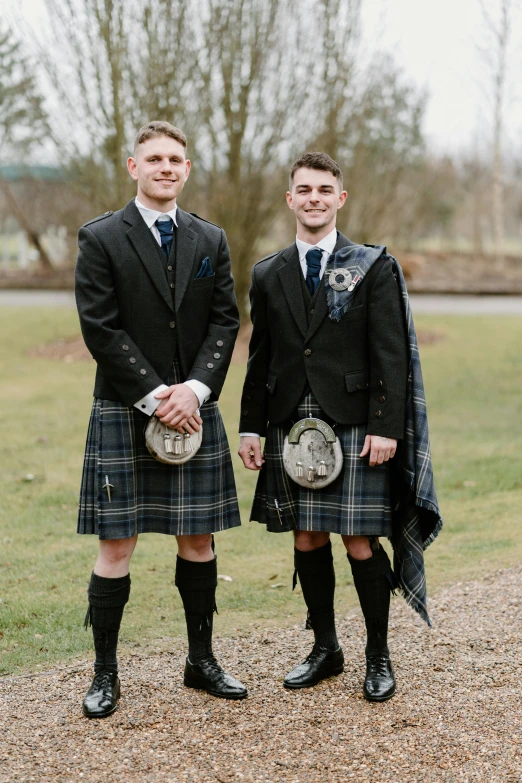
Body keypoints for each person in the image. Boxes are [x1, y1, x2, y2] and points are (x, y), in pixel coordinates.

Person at [76, 121, 247, 718]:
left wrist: (195, 391)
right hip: (125, 409)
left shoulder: (211, 238)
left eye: (176, 158)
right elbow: (100, 328)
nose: (166, 167)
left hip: (193, 408)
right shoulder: (100, 237)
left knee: (196, 539)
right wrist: (157, 396)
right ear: (133, 166)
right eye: (154, 158)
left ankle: (201, 662)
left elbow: (226, 322)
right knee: (116, 545)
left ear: (187, 168)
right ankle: (104, 674)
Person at [238, 151, 413, 701]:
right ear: (290, 199)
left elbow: (390, 354)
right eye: (304, 189)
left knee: (360, 539)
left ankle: (378, 655)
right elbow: (259, 357)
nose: (313, 198)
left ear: (340, 199)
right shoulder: (268, 273)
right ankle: (325, 647)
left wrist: (386, 426)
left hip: (356, 421)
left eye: (324, 190)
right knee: (307, 536)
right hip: (290, 422)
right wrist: (249, 428)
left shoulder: (372, 266)